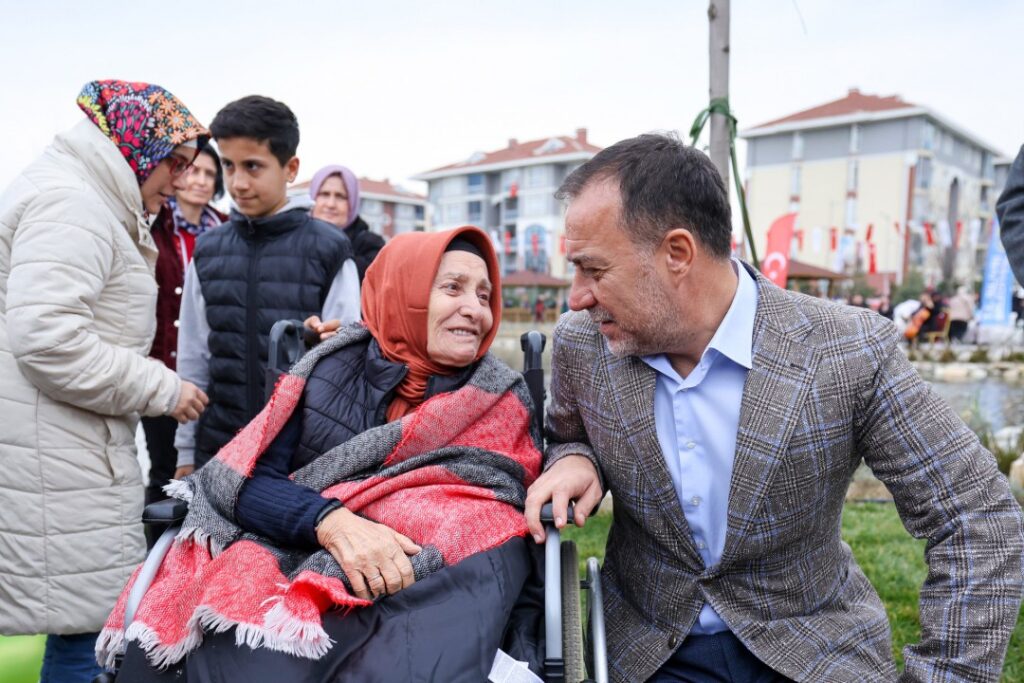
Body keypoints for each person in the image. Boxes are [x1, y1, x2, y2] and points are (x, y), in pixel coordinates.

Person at [524, 133, 1024, 682]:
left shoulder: (848, 350)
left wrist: (946, 675)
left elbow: (977, 516)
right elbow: (568, 435)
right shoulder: (581, 344)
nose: (575, 297)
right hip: (649, 647)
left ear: (678, 253)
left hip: (813, 645)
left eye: (594, 271)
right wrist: (575, 459)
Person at [99, 226, 545, 681]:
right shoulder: (331, 367)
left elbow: (493, 513)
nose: (475, 310)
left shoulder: (499, 397)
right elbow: (246, 477)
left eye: (485, 296)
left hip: (434, 579)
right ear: (402, 292)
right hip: (304, 552)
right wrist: (332, 522)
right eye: (453, 288)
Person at [0, 79, 210, 683]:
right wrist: (162, 388)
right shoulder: (74, 205)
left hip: (59, 448)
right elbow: (49, 338)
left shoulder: (82, 196)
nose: (180, 180)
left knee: (79, 627)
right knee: (86, 637)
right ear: (136, 147)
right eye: (175, 162)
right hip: (57, 457)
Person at [175, 96, 361, 476]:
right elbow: (193, 358)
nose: (238, 183)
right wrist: (185, 453)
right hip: (218, 453)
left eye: (253, 166)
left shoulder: (329, 249)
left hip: (300, 459)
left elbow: (348, 364)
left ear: (290, 168)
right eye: (228, 165)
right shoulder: (207, 251)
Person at [142, 141, 227, 535]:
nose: (201, 180)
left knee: (208, 472)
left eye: (210, 173)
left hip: (210, 375)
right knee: (164, 468)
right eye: (194, 170)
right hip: (161, 368)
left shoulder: (224, 229)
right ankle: (155, 555)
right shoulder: (154, 223)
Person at [310, 164, 385, 282]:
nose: (331, 204)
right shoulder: (293, 239)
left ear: (352, 203)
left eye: (340, 196)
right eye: (324, 194)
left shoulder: (372, 247)